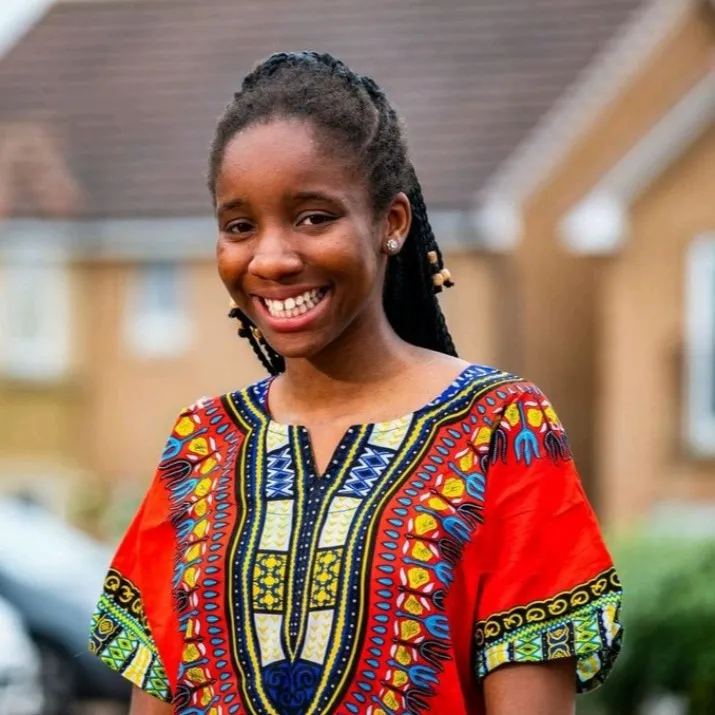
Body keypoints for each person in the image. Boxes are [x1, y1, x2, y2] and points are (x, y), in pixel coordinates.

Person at [88, 51, 623, 715]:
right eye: (239, 225)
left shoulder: (500, 429)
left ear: (390, 222)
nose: (273, 257)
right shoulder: (201, 443)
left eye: (313, 217)